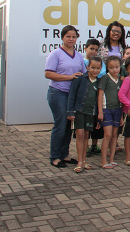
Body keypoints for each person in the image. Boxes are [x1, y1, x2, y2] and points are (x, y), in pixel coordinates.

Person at [45, 25, 86, 168]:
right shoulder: (56, 54)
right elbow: (48, 74)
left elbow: (83, 74)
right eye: (68, 36)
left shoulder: (79, 55)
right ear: (62, 37)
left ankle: (64, 154)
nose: (71, 39)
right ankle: (55, 156)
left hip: (72, 96)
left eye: (73, 37)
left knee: (69, 125)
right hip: (58, 93)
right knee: (61, 124)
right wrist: (68, 77)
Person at [67, 56, 102, 173]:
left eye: (98, 68)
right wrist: (70, 111)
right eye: (93, 68)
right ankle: (79, 162)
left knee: (87, 136)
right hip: (79, 112)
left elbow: (99, 101)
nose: (95, 70)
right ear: (87, 67)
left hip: (90, 113)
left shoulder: (99, 82)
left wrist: (98, 117)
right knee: (80, 135)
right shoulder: (80, 79)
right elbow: (72, 95)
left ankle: (84, 160)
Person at [97, 56, 123, 169]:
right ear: (107, 68)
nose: (114, 70)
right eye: (111, 67)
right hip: (106, 110)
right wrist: (100, 112)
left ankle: (112, 159)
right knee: (107, 135)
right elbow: (100, 95)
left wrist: (121, 116)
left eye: (116, 67)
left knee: (114, 136)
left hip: (117, 110)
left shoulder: (120, 80)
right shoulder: (105, 78)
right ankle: (103, 160)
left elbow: (122, 99)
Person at [83, 38, 105, 156]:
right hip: (86, 97)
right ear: (85, 48)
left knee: (96, 122)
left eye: (96, 49)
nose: (93, 51)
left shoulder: (100, 62)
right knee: (85, 125)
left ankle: (94, 145)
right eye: (91, 48)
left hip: (97, 93)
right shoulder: (82, 61)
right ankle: (85, 147)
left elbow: (103, 74)